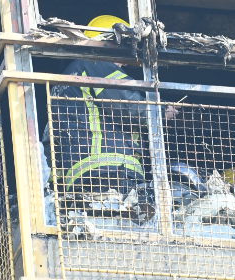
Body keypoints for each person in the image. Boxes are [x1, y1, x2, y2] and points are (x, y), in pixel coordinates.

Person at [45, 15, 175, 209]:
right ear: (109, 42)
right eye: (121, 48)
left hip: (75, 180)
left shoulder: (60, 84)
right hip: (110, 172)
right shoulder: (96, 65)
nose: (123, 61)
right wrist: (161, 112)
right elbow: (125, 105)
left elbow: (49, 141)